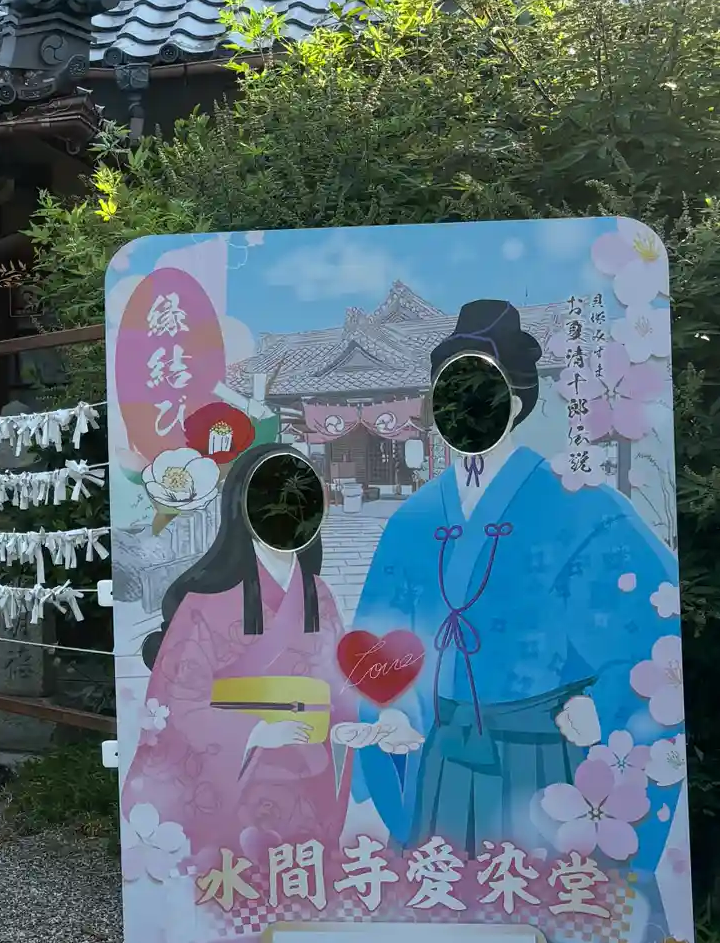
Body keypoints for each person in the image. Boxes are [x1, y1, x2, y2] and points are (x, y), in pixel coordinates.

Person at [352, 298, 679, 858]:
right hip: (442, 756)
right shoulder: (414, 519)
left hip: (545, 758)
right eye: (449, 392)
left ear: (517, 400)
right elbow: (378, 646)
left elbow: (651, 629)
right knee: (448, 893)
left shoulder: (582, 506)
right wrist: (395, 712)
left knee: (536, 897)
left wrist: (604, 705)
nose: (463, 407)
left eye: (482, 390)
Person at [125, 446, 413, 860]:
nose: (289, 514)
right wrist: (255, 731)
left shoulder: (318, 595)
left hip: (308, 780)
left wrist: (353, 729)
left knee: (301, 874)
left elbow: (337, 687)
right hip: (235, 787)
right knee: (240, 875)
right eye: (272, 501)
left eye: (301, 501)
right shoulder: (204, 602)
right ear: (242, 509)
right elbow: (177, 702)